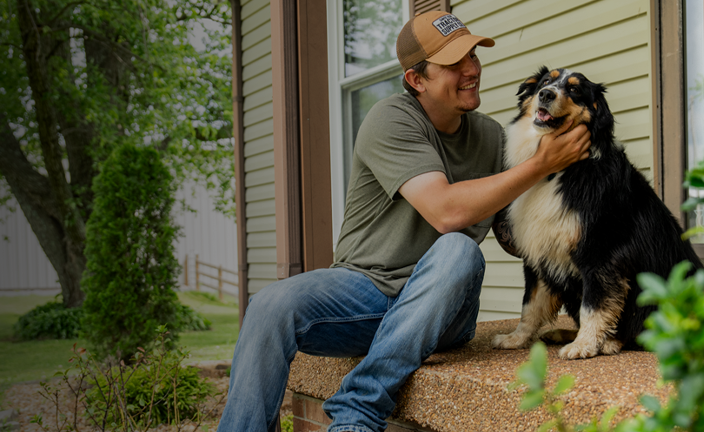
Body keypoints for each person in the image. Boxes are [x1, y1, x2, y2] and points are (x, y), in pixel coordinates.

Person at [217, 10, 591, 432]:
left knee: (458, 251)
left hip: (442, 305)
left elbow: (515, 233)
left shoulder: (493, 137)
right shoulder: (389, 119)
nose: (471, 70)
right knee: (268, 305)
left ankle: (357, 411)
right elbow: (446, 210)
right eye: (454, 64)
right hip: (364, 292)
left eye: (473, 56)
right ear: (417, 80)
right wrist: (540, 165)